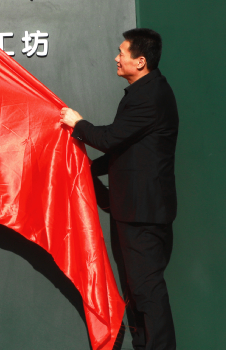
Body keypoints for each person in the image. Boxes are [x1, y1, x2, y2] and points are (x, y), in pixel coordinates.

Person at [60, 28, 178, 350]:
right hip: (132, 211)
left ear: (140, 61)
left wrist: (77, 124)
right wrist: (87, 168)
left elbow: (111, 138)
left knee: (147, 291)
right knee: (135, 289)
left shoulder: (150, 96)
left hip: (144, 215)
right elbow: (123, 150)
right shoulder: (143, 92)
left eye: (122, 53)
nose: (116, 58)